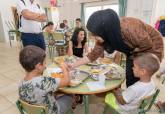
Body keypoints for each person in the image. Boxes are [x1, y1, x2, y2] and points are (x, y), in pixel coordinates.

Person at [68, 9, 164, 87]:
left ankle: (136, 101)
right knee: (130, 75)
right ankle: (131, 94)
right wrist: (73, 65)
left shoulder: (129, 28)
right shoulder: (106, 34)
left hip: (151, 48)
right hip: (134, 51)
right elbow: (92, 56)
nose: (94, 37)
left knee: (140, 77)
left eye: (95, 35)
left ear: (105, 31)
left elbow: (147, 44)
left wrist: (134, 55)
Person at [18, 45, 72, 114]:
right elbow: (67, 81)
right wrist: (64, 67)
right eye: (44, 62)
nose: (45, 65)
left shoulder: (21, 84)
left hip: (35, 111)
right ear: (38, 66)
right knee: (70, 95)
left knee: (57, 93)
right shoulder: (44, 81)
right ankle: (75, 102)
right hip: (52, 112)